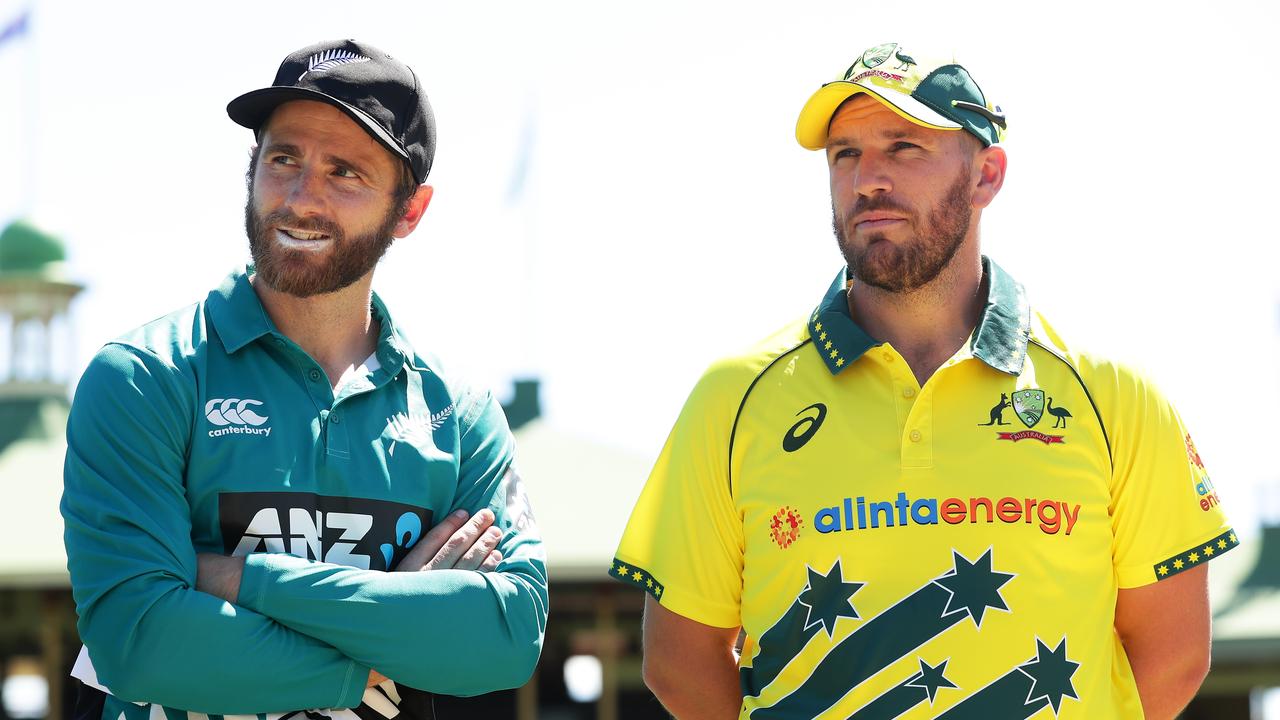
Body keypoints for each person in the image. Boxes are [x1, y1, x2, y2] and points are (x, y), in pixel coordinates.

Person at [611, 42, 1235, 719]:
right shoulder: (733, 398)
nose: (865, 180)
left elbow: (1174, 653)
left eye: (903, 148)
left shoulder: (1114, 394)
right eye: (845, 154)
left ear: (986, 176)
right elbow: (679, 660)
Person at [61, 39, 547, 720]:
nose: (300, 197)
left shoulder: (458, 415)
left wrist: (231, 576)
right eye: (283, 158)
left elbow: (505, 637)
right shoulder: (146, 377)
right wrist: (386, 635)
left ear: (410, 211)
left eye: (345, 171)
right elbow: (140, 642)